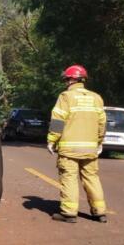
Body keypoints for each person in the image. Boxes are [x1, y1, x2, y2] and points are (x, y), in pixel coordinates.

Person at [46, 65, 108, 223]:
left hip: (69, 150)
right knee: (92, 178)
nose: (66, 82)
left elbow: (58, 121)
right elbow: (102, 123)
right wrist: (99, 141)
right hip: (90, 149)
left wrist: (52, 140)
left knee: (69, 178)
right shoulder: (96, 98)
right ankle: (99, 212)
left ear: (71, 79)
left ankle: (69, 212)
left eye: (66, 79)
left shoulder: (66, 97)